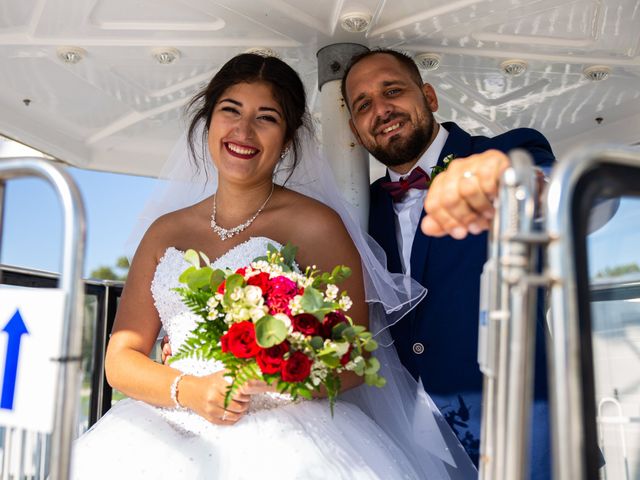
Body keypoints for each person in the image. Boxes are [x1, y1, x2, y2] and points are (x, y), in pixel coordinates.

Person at [71, 53, 476, 479]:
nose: (243, 131)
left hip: (289, 440)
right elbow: (120, 359)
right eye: (231, 111)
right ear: (209, 121)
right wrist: (188, 390)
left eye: (266, 118)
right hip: (163, 432)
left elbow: (355, 359)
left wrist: (277, 377)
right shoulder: (163, 232)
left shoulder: (316, 225)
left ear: (286, 139)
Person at [341, 49, 555, 478]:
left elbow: (553, 193)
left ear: (430, 97)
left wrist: (500, 176)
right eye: (363, 104)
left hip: (525, 442)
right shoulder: (359, 211)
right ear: (354, 129)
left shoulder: (508, 150)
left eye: (393, 91)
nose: (381, 110)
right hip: (413, 452)